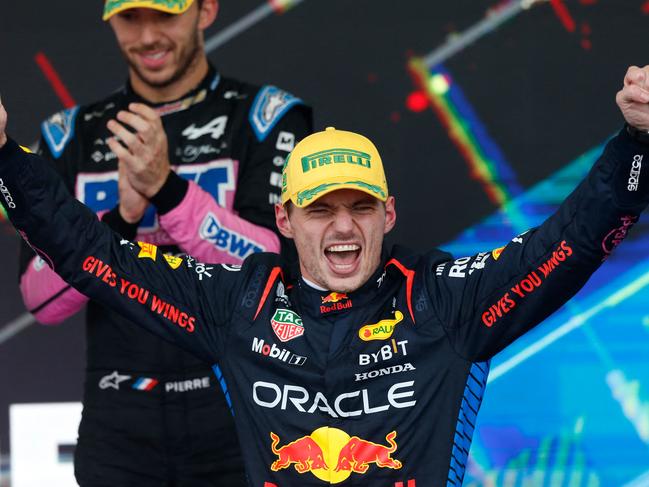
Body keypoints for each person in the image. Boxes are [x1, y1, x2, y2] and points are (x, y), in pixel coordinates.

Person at [1, 65, 648, 486]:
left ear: (387, 212)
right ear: (285, 218)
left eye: (360, 206)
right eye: (320, 209)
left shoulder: (442, 297)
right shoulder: (238, 301)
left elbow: (572, 242)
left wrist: (636, 144)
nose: (342, 227)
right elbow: (90, 254)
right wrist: (6, 160)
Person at [17, 0, 312, 485]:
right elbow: (39, 299)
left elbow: (285, 272)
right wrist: (122, 219)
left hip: (242, 406)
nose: (148, 36)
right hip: (119, 420)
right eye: (131, 18)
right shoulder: (67, 135)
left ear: (206, 10)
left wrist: (168, 191)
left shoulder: (268, 118)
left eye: (165, 14)